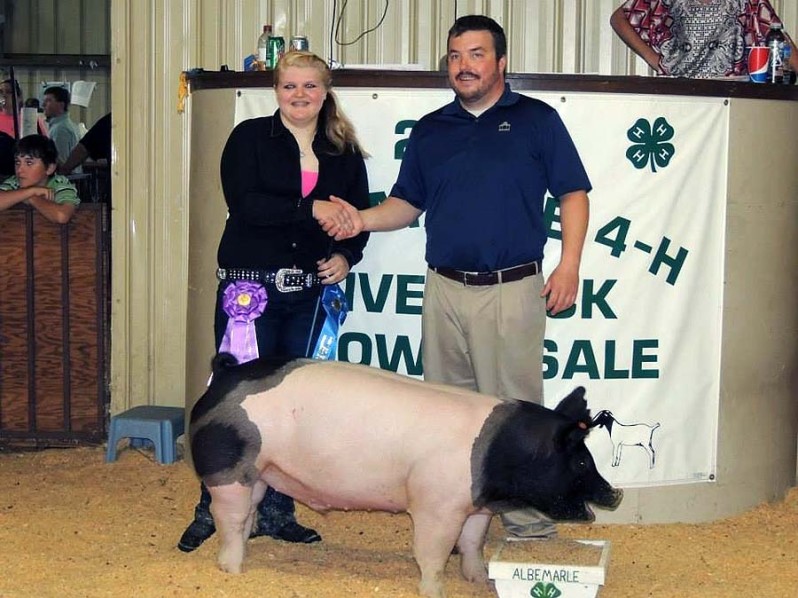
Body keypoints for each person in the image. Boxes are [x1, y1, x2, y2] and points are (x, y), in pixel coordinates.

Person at [323, 15, 591, 538]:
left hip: (511, 289)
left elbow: (573, 194)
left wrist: (570, 264)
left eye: (475, 54)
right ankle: (453, 520)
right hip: (443, 289)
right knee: (446, 416)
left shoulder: (537, 120)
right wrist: (361, 219)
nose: (463, 66)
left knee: (515, 411)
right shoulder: (432, 129)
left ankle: (527, 525)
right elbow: (405, 205)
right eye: (454, 56)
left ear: (501, 63)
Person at [177, 50, 370, 553]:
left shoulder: (343, 150)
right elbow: (247, 205)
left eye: (310, 87)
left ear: (325, 91)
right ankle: (211, 507)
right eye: (290, 87)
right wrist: (313, 209)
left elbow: (357, 217)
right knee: (234, 399)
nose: (300, 96)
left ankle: (277, 511)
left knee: (294, 404)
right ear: (276, 91)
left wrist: (347, 255)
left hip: (308, 292)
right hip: (250, 289)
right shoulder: (248, 139)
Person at [610, 0, 798, 78]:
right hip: (681, 97)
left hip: (732, 100)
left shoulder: (748, 2)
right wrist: (653, 59)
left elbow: (778, 39)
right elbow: (619, 19)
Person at [0, 134, 80, 224]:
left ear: (50, 168)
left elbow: (62, 216)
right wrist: (31, 191)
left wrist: (32, 197)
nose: (19, 169)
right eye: (17, 162)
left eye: (29, 163)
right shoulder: (14, 181)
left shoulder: (59, 184)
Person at [42, 86, 82, 171]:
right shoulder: (68, 125)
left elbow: (61, 163)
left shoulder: (60, 129)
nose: (43, 105)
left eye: (48, 101)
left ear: (61, 105)